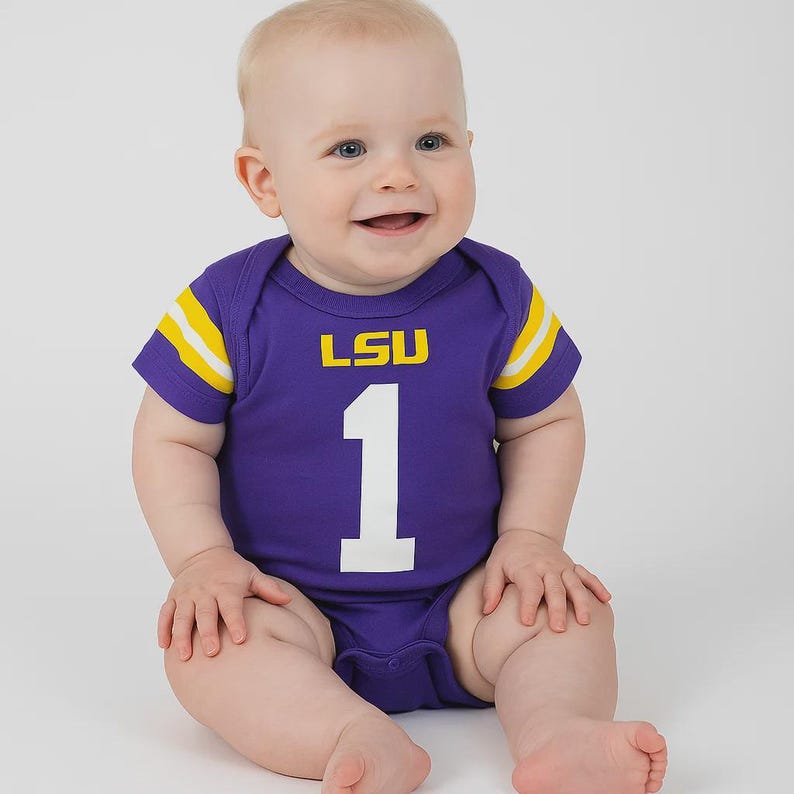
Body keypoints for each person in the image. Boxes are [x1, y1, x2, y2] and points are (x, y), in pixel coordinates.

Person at [131, 1, 668, 791]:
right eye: (349, 148)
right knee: (208, 650)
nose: (398, 173)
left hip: (467, 601)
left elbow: (547, 421)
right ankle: (348, 737)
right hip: (291, 608)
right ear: (265, 180)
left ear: (470, 147)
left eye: (431, 141)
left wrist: (531, 540)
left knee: (569, 613)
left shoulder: (498, 296)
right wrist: (203, 559)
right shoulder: (226, 308)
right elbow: (171, 439)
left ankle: (561, 735)